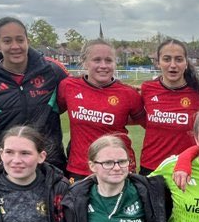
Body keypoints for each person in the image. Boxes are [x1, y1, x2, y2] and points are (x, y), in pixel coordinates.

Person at [0, 16, 68, 175]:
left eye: (20, 40)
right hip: (11, 171)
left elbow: (81, 97)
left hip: (52, 169)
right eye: (7, 41)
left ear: (27, 40)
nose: (15, 46)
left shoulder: (52, 70)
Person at [58, 39, 145, 182]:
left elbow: (150, 123)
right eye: (97, 60)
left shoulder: (128, 93)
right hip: (80, 168)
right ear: (85, 62)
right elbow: (55, 111)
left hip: (117, 168)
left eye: (109, 60)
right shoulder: (68, 86)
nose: (103, 66)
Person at [139, 38, 199, 174]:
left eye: (178, 59)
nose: (173, 65)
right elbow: (138, 117)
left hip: (187, 168)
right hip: (152, 167)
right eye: (166, 59)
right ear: (158, 62)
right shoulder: (147, 88)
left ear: (186, 63)